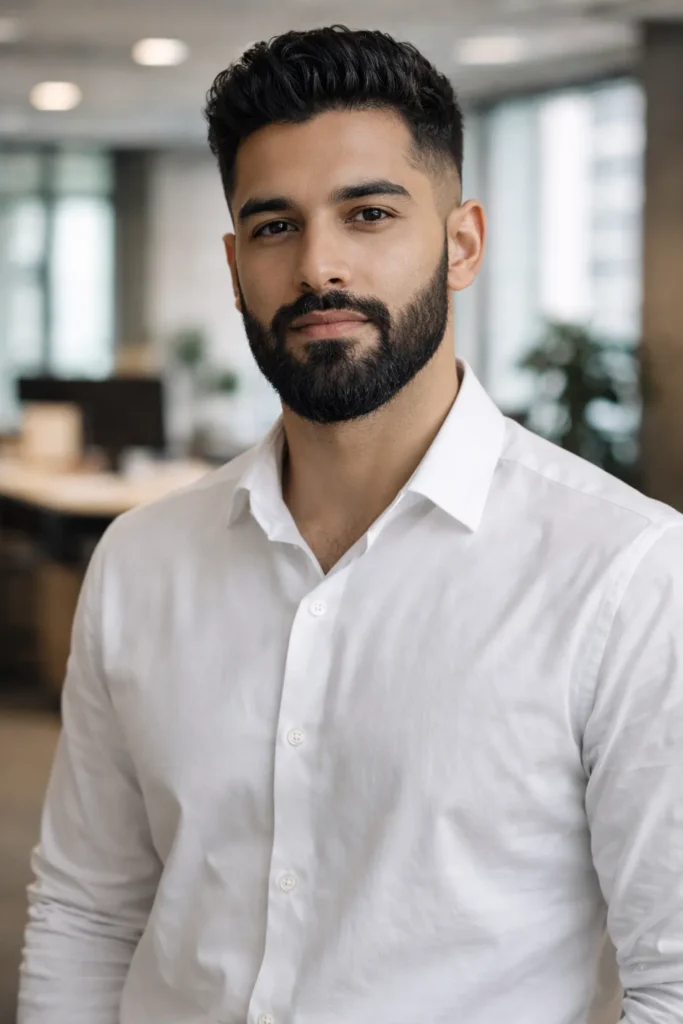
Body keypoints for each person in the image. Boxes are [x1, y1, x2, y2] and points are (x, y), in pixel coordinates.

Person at [18, 25, 683, 1024]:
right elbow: (86, 911)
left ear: (460, 243)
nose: (319, 265)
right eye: (275, 226)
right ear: (237, 263)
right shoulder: (143, 560)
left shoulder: (624, 572)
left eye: (367, 213)